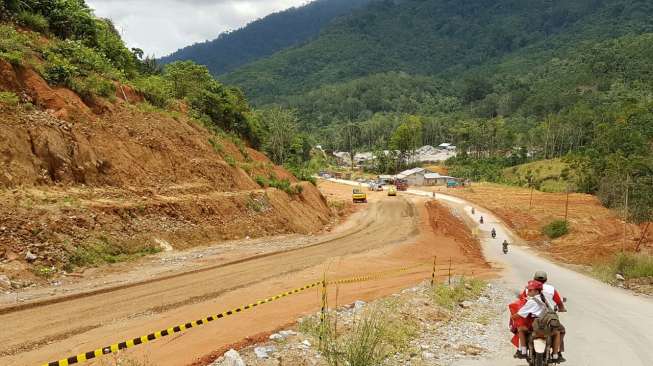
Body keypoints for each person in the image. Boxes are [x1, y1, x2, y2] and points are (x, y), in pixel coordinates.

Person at [511, 280, 563, 362]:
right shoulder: (547, 299)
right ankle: (555, 355)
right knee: (558, 332)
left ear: (536, 291)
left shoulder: (531, 301)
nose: (528, 291)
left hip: (537, 327)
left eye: (530, 290)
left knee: (520, 329)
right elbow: (557, 305)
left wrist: (512, 316)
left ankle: (523, 351)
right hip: (548, 327)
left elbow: (520, 314)